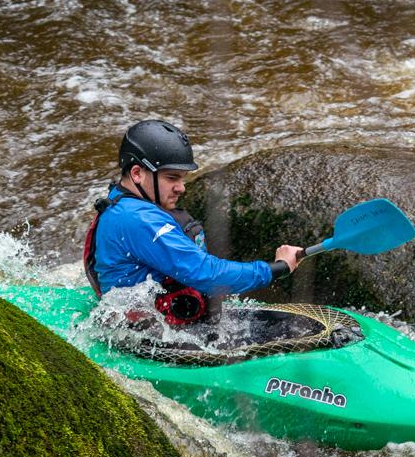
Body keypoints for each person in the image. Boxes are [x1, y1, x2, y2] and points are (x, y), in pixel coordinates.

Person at [83, 119, 302, 325]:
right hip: (153, 335)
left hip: (157, 325)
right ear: (137, 173)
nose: (181, 188)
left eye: (182, 178)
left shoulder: (119, 202)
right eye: (171, 177)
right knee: (300, 328)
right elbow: (206, 274)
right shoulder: (138, 219)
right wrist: (277, 268)